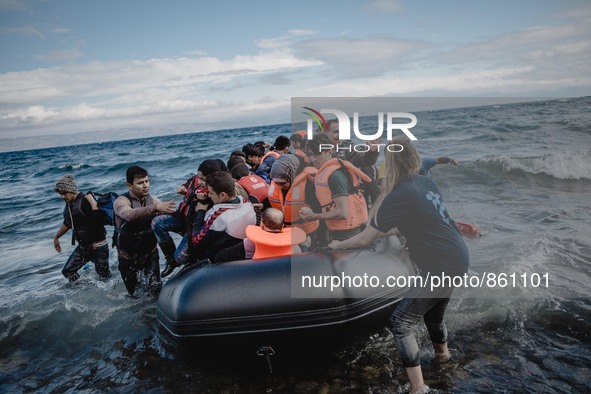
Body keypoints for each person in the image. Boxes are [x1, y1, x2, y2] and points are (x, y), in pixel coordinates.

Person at [329, 138, 470, 394]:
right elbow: (413, 223)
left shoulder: (398, 196)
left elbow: (364, 238)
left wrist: (336, 245)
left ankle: (418, 387)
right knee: (433, 314)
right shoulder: (425, 181)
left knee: (401, 323)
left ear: (390, 162)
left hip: (440, 267)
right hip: (458, 257)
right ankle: (444, 358)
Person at [114, 166, 176, 296]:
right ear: (130, 185)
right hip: (127, 257)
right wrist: (155, 208)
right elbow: (129, 215)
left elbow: (169, 220)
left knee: (155, 290)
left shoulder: (153, 200)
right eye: (140, 183)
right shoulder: (121, 201)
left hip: (150, 254)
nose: (145, 186)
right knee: (134, 294)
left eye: (147, 181)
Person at [299, 133, 371, 242]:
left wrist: (314, 216)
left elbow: (342, 212)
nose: (313, 159)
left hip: (347, 233)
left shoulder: (335, 176)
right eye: (310, 155)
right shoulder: (326, 173)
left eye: (317, 154)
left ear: (330, 151)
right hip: (339, 230)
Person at [53, 174, 111, 282]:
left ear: (72, 190)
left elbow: (100, 219)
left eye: (64, 193)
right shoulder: (69, 205)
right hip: (83, 248)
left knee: (104, 278)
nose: (62, 197)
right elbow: (67, 223)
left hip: (98, 247)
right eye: (60, 194)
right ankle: (83, 290)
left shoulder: (85, 201)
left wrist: (93, 202)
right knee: (67, 271)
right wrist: (56, 237)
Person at [190, 171, 256, 263]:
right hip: (238, 245)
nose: (209, 195)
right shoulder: (247, 202)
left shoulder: (218, 216)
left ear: (222, 195)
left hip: (219, 257)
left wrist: (200, 211)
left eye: (211, 193)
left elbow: (196, 241)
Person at [325, 118, 381, 206]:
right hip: (326, 198)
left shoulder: (348, 149)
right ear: (325, 132)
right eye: (336, 132)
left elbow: (366, 160)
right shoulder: (317, 151)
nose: (340, 135)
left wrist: (372, 152)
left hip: (346, 200)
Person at [267, 154, 320, 237]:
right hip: (284, 230)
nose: (280, 186)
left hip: (306, 231)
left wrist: (311, 212)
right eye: (277, 183)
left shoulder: (309, 184)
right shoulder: (275, 179)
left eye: (283, 183)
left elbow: (319, 208)